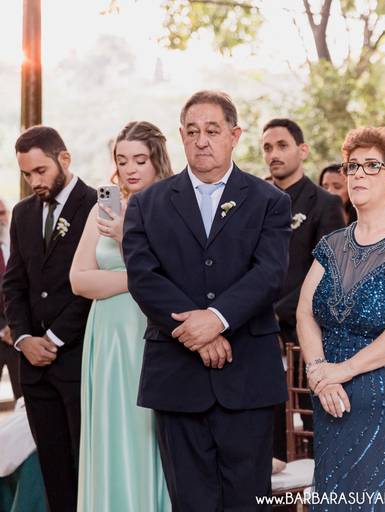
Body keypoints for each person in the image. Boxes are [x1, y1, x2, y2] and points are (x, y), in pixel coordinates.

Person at [122, 90, 291, 511]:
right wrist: (197, 332)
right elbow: (143, 277)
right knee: (190, 501)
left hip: (247, 373)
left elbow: (270, 273)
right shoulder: (146, 204)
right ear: (181, 136)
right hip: (176, 377)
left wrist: (217, 318)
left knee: (248, 501)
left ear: (234, 135)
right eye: (193, 131)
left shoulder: (270, 201)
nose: (202, 141)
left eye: (212, 131)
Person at [296, 126, 385, 511]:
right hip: (332, 398)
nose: (358, 174)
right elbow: (305, 312)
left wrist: (344, 370)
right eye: (352, 166)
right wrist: (318, 371)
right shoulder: (332, 245)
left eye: (371, 166)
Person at [70, 121, 173, 511]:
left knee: (144, 426)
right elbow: (79, 280)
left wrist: (122, 238)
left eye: (140, 160)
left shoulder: (171, 208)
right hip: (107, 338)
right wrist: (140, 278)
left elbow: (175, 276)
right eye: (122, 159)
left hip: (148, 330)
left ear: (157, 160)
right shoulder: (104, 204)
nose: (130, 169)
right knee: (111, 426)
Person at [3, 126, 97, 512]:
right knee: (53, 470)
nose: (35, 181)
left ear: (64, 159)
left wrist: (55, 338)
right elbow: (13, 284)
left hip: (77, 358)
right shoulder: (23, 213)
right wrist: (24, 338)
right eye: (27, 174)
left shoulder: (95, 205)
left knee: (84, 466)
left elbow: (91, 286)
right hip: (34, 367)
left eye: (41, 171)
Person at [261, 117, 345, 460]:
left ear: (303, 150)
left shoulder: (324, 203)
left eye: (282, 146)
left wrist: (277, 311)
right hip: (259, 335)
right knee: (269, 429)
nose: (274, 154)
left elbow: (328, 272)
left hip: (306, 332)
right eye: (267, 148)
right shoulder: (255, 200)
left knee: (315, 425)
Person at [0, 197, 20, 401]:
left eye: (2, 213)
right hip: (3, 332)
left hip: (17, 337)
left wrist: (14, 327)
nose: (0, 219)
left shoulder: (16, 246)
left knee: (24, 402)